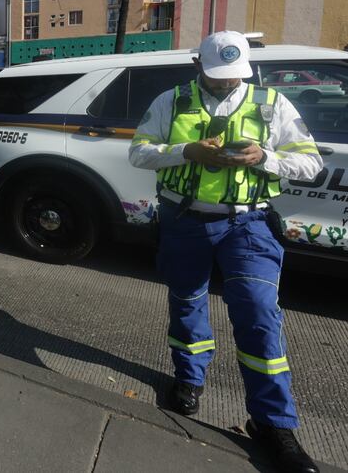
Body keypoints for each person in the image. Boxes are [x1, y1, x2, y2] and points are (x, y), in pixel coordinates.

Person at [129, 32, 322, 473]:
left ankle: (273, 423)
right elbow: (138, 153)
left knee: (258, 313)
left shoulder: (271, 104)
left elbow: (310, 163)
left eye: (234, 77)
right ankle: (189, 379)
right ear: (199, 65)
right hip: (184, 220)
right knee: (187, 302)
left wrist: (265, 158)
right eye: (217, 77)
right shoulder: (171, 101)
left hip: (248, 223)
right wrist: (186, 152)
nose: (226, 85)